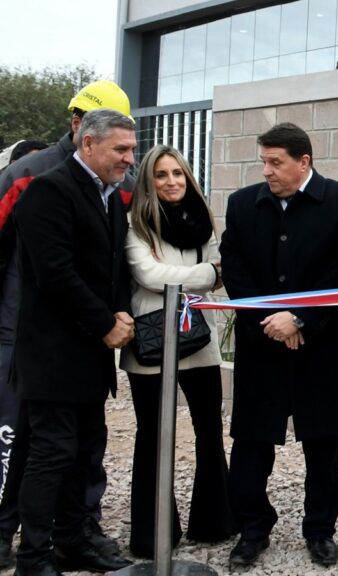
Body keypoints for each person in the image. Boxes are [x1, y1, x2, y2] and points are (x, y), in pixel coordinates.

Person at [219, 122, 338, 569]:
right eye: (263, 161)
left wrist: (301, 317)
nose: (267, 171)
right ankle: (252, 529)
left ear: (304, 162)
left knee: (322, 446)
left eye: (275, 162)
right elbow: (235, 266)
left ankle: (320, 531)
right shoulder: (243, 205)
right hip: (262, 344)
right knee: (251, 444)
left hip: (322, 347)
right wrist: (271, 322)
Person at [0, 80, 134, 568]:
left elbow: (111, 265)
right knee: (50, 455)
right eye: (120, 149)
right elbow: (55, 274)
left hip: (88, 357)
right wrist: (104, 323)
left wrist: (119, 312)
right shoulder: (47, 191)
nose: (128, 159)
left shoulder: (108, 195)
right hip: (52, 356)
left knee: (84, 453)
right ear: (88, 142)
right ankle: (35, 557)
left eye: (131, 149)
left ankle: (72, 542)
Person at [119, 145, 235, 558]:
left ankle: (214, 522)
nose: (171, 181)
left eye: (178, 174)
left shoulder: (202, 221)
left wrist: (197, 276)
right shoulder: (135, 224)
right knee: (152, 435)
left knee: (209, 430)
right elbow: (149, 274)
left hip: (196, 340)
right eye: (162, 175)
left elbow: (220, 264)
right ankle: (152, 535)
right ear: (149, 181)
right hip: (150, 344)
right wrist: (203, 275)